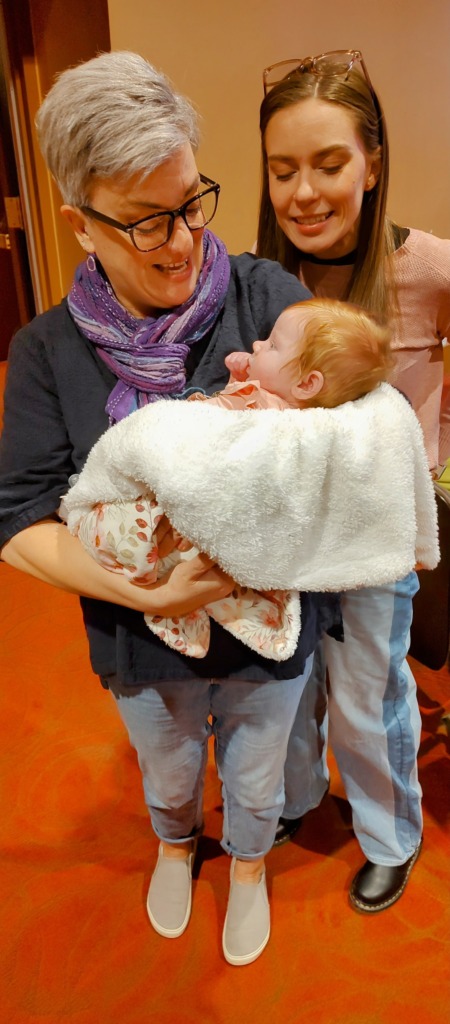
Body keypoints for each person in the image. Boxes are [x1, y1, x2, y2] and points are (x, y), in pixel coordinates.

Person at [0, 51, 344, 968]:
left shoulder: (271, 304)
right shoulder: (45, 354)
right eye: (148, 222)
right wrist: (152, 597)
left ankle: (247, 862)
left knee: (260, 769)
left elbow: (334, 458)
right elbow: (22, 519)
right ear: (80, 225)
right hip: (139, 637)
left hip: (269, 628)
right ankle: (176, 840)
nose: (185, 242)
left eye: (194, 203)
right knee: (171, 766)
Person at [256, 48, 450, 912]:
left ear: (371, 162)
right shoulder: (255, 284)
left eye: (329, 164)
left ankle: (386, 834)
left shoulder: (429, 268)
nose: (304, 192)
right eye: (282, 169)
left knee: (371, 700)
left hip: (372, 551)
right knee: (282, 695)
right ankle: (297, 803)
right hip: (278, 542)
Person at [61, 298, 398, 663]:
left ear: (306, 383)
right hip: (195, 469)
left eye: (271, 345)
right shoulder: (268, 393)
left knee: (146, 530)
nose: (257, 344)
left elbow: (243, 466)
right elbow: (229, 408)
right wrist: (241, 376)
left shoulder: (288, 427)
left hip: (206, 503)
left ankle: (170, 595)